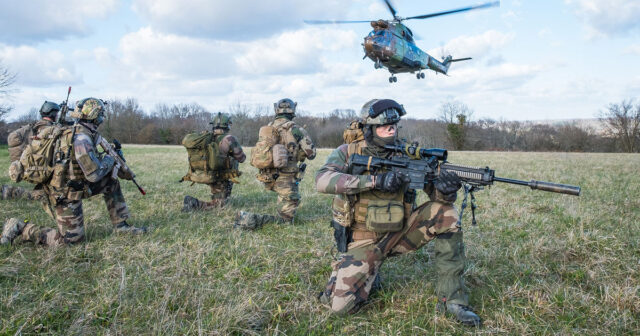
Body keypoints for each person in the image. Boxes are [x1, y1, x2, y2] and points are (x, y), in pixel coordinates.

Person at [314, 99, 481, 327]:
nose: (391, 130)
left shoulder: (410, 154)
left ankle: (453, 300)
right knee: (341, 309)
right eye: (384, 126)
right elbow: (322, 180)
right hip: (362, 241)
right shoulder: (348, 152)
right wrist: (375, 181)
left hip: (400, 233)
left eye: (394, 125)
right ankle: (367, 274)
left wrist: (446, 191)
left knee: (446, 214)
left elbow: (437, 199)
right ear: (369, 129)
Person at [1, 98, 146, 246]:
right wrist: (109, 159)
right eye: (101, 115)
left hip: (77, 185)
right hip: (63, 193)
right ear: (96, 116)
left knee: (110, 181)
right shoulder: (81, 138)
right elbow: (94, 174)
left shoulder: (85, 131)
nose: (102, 118)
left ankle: (121, 225)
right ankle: (21, 227)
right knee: (70, 242)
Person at [234, 98, 316, 229]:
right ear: (293, 111)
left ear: (276, 111)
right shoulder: (296, 129)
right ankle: (247, 219)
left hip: (267, 175)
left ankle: (280, 208)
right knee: (286, 221)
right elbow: (312, 154)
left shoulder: (268, 128)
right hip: (286, 178)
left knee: (284, 202)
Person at [182, 112, 246, 211]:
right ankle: (194, 203)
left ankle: (218, 196)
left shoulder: (206, 137)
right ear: (227, 125)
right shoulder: (229, 139)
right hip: (220, 176)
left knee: (222, 196)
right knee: (221, 206)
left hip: (205, 172)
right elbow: (242, 159)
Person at [2, 101, 61, 201]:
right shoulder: (53, 129)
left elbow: (12, 137)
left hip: (33, 168)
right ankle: (9, 192)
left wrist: (18, 163)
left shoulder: (32, 127)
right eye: (57, 114)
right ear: (53, 114)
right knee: (54, 196)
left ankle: (8, 191)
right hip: (47, 170)